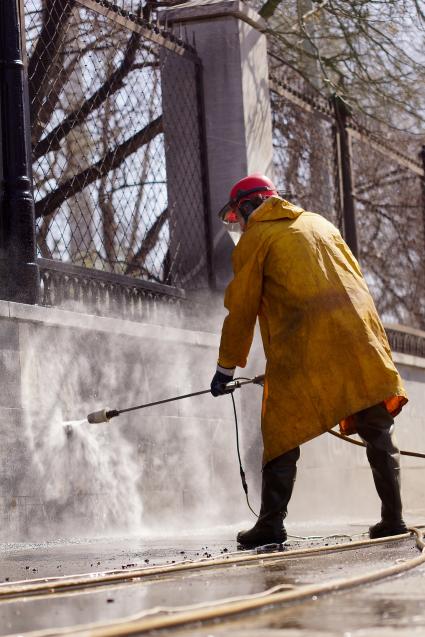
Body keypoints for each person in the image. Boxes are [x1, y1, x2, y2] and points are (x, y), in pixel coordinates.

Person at [210, 173, 408, 549]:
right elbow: (358, 283)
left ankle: (270, 524)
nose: (240, 226)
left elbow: (241, 309)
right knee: (376, 428)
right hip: (358, 339)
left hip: (303, 345)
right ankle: (394, 518)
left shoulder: (258, 238)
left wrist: (225, 368)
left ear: (249, 207)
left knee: (281, 431)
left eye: (239, 216)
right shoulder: (321, 224)